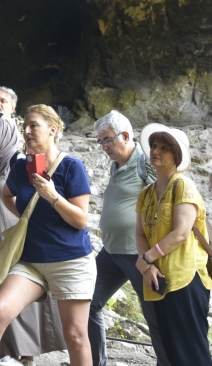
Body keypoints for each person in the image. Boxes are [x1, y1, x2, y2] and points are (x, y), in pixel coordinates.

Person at [0, 104, 96, 366]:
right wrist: (26, 216)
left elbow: (80, 220)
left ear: (53, 129)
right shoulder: (22, 168)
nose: (27, 131)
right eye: (24, 126)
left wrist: (52, 196)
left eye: (34, 126)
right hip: (31, 260)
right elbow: (7, 195)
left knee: (75, 335)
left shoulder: (72, 167)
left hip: (70, 262)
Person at [0, 114, 66, 366]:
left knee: (18, 297)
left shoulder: (18, 161)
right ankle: (2, 354)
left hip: (13, 237)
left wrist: (23, 220)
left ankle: (27, 355)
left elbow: (34, 195)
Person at [89, 111, 169, 366]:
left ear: (125, 136)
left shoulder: (144, 161)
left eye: (108, 140)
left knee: (155, 317)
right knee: (87, 301)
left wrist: (154, 253)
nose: (104, 147)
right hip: (111, 251)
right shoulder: (117, 164)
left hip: (138, 254)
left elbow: (166, 199)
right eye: (100, 142)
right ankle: (94, 362)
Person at [135, 124, 212, 366]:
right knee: (171, 351)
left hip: (186, 278)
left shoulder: (183, 185)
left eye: (165, 148)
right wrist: (149, 268)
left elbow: (180, 233)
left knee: (192, 350)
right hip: (159, 279)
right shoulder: (146, 194)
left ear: (176, 155)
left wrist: (147, 258)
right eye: (155, 146)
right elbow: (139, 233)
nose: (156, 150)